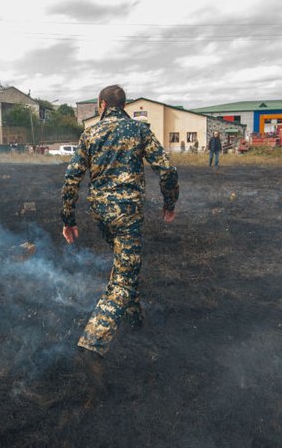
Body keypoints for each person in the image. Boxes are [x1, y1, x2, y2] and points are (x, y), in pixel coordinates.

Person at [61, 84, 179, 365]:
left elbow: (72, 178)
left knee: (126, 263)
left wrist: (68, 219)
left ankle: (134, 321)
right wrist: (169, 203)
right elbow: (167, 170)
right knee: (124, 278)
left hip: (100, 214)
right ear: (122, 106)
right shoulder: (139, 130)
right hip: (127, 215)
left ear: (102, 105)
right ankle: (93, 342)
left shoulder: (90, 133)